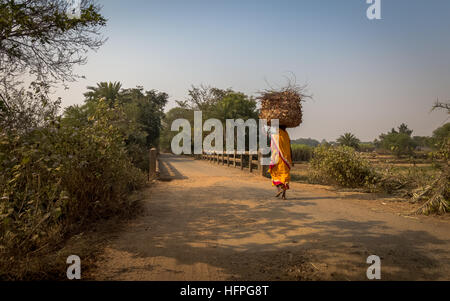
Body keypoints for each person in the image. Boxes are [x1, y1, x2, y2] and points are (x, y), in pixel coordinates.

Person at [268, 125, 293, 200]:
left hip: (277, 158)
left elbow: (272, 146)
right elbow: (289, 146)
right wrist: (291, 157)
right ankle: (284, 195)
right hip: (286, 159)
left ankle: (279, 189)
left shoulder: (276, 133)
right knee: (285, 176)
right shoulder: (286, 134)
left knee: (275, 174)